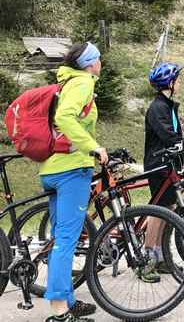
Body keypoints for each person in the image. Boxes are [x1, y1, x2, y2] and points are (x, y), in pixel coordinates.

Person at [40, 42, 108, 322]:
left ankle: (67, 301)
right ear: (91, 63)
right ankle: (58, 310)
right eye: (99, 59)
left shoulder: (67, 82)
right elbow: (64, 117)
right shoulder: (82, 83)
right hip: (71, 170)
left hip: (52, 168)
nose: (101, 63)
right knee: (66, 240)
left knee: (61, 238)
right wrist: (93, 146)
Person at [141, 62, 184, 282]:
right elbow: (169, 136)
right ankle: (147, 259)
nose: (180, 83)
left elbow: (175, 135)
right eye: (177, 80)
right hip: (158, 165)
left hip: (167, 165)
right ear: (169, 83)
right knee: (158, 212)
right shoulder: (158, 107)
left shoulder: (166, 105)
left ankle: (160, 256)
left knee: (169, 209)